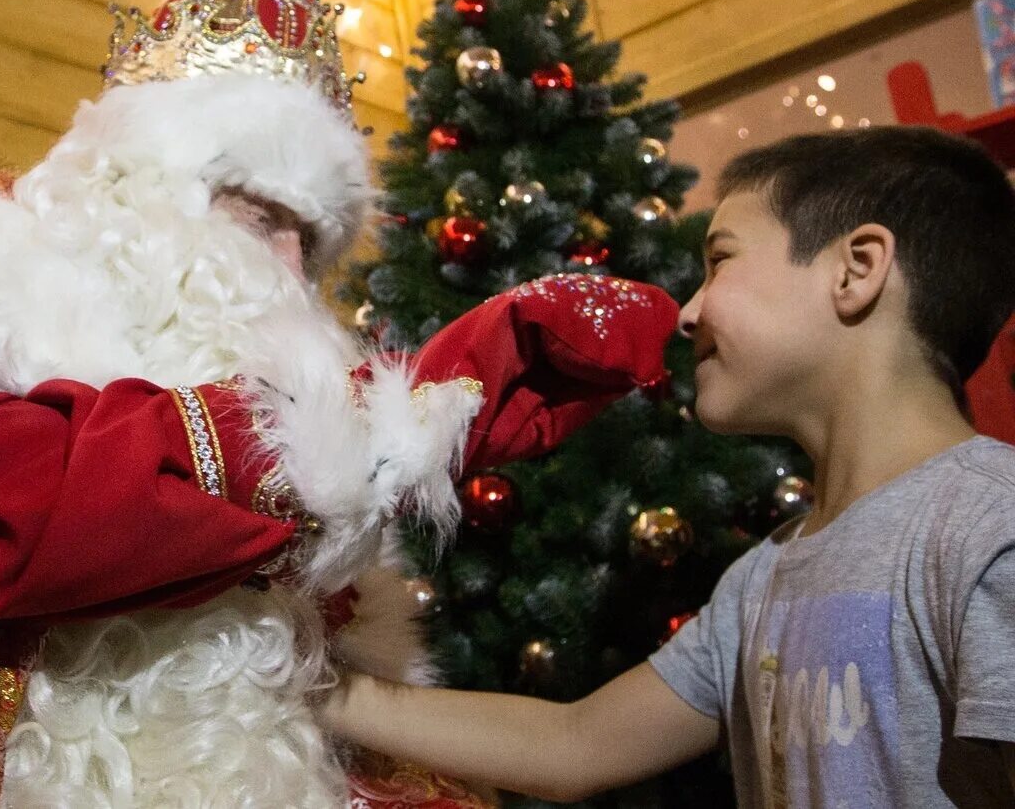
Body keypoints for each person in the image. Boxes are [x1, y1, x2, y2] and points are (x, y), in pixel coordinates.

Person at [0, 0, 679, 808]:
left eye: (317, 246)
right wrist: (385, 417)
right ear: (135, 180)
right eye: (261, 215)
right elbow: (36, 512)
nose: (293, 276)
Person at [318, 126, 1015, 807]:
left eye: (721, 260)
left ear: (857, 270)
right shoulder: (763, 577)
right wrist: (311, 686)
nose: (688, 313)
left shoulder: (988, 530)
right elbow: (576, 745)